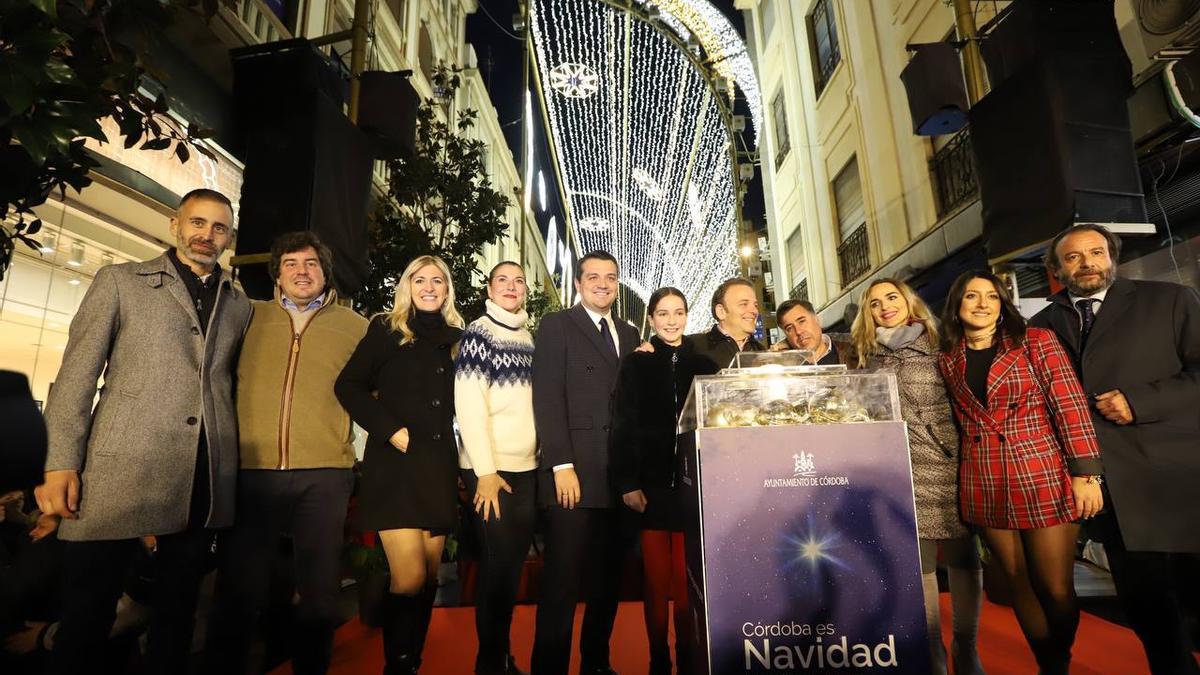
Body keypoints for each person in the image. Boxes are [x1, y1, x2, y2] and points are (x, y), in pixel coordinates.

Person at [36, 188, 252, 675]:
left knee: (174, 617)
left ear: (229, 237)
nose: (206, 235)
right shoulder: (119, 281)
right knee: (87, 615)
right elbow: (76, 377)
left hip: (199, 478)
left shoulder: (238, 304)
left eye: (218, 228)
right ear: (176, 225)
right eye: (197, 223)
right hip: (117, 471)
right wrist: (57, 461)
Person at [1030, 223, 1200, 674]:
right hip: (1112, 494)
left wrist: (1139, 401)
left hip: (1179, 484)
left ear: (1113, 256)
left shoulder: (1169, 301)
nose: (1087, 263)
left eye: (1096, 252)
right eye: (1073, 257)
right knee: (1148, 612)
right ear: (1056, 269)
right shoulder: (1040, 326)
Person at [204, 232, 367, 675]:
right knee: (240, 585)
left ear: (325, 272)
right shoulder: (247, 315)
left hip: (326, 473)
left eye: (311, 263)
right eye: (291, 263)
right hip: (253, 470)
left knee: (318, 589)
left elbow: (373, 393)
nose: (301, 271)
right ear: (277, 273)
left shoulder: (355, 326)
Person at [938, 270, 1104, 674]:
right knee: (1017, 580)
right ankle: (1049, 666)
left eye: (991, 297)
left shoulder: (1035, 341)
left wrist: (1086, 473)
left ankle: (1059, 654)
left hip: (1041, 471)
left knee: (1054, 585)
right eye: (972, 297)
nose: (982, 304)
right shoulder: (949, 356)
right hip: (984, 478)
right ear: (957, 307)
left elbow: (1069, 405)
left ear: (1002, 304)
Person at [335, 255, 464, 675]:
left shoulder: (458, 339)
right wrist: (390, 429)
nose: (429, 287)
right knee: (407, 579)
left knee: (427, 579)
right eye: (420, 279)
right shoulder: (387, 330)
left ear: (447, 290)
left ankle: (413, 661)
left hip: (439, 468)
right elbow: (348, 386)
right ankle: (397, 667)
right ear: (407, 285)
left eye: (437, 280)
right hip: (397, 467)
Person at [849, 278, 983, 675]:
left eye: (892, 298)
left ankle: (966, 647)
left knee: (963, 556)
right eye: (875, 304)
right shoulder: (865, 356)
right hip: (900, 469)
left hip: (948, 461)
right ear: (868, 314)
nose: (885, 307)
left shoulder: (941, 344)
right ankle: (933, 654)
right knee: (920, 564)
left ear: (908, 302)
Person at [531, 250, 640, 675]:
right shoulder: (558, 325)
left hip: (619, 479)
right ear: (577, 284)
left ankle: (596, 663)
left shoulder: (630, 333)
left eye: (610, 277)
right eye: (593, 276)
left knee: (607, 582)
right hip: (574, 474)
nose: (602, 283)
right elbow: (547, 397)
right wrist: (560, 464)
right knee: (562, 583)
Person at [610, 287, 713, 675]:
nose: (672, 320)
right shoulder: (635, 364)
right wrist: (626, 483)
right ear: (651, 319)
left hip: (692, 487)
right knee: (655, 581)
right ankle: (658, 658)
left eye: (679, 312)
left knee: (687, 582)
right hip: (650, 487)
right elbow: (622, 426)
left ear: (687, 315)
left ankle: (687, 655)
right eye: (663, 314)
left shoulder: (704, 366)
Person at [455, 261, 537, 675]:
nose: (511, 286)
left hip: (527, 470)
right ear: (489, 288)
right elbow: (468, 406)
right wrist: (485, 472)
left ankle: (501, 655)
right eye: (502, 280)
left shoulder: (527, 336)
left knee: (510, 569)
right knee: (496, 569)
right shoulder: (479, 332)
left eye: (518, 281)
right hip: (492, 472)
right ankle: (489, 664)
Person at [689, 277, 765, 370]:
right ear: (721, 311)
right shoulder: (693, 347)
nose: (754, 311)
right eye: (744, 304)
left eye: (755, 305)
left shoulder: (762, 352)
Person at [769, 298, 855, 364]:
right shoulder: (785, 368)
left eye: (802, 321)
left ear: (817, 319)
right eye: (789, 328)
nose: (798, 331)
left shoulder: (853, 348)